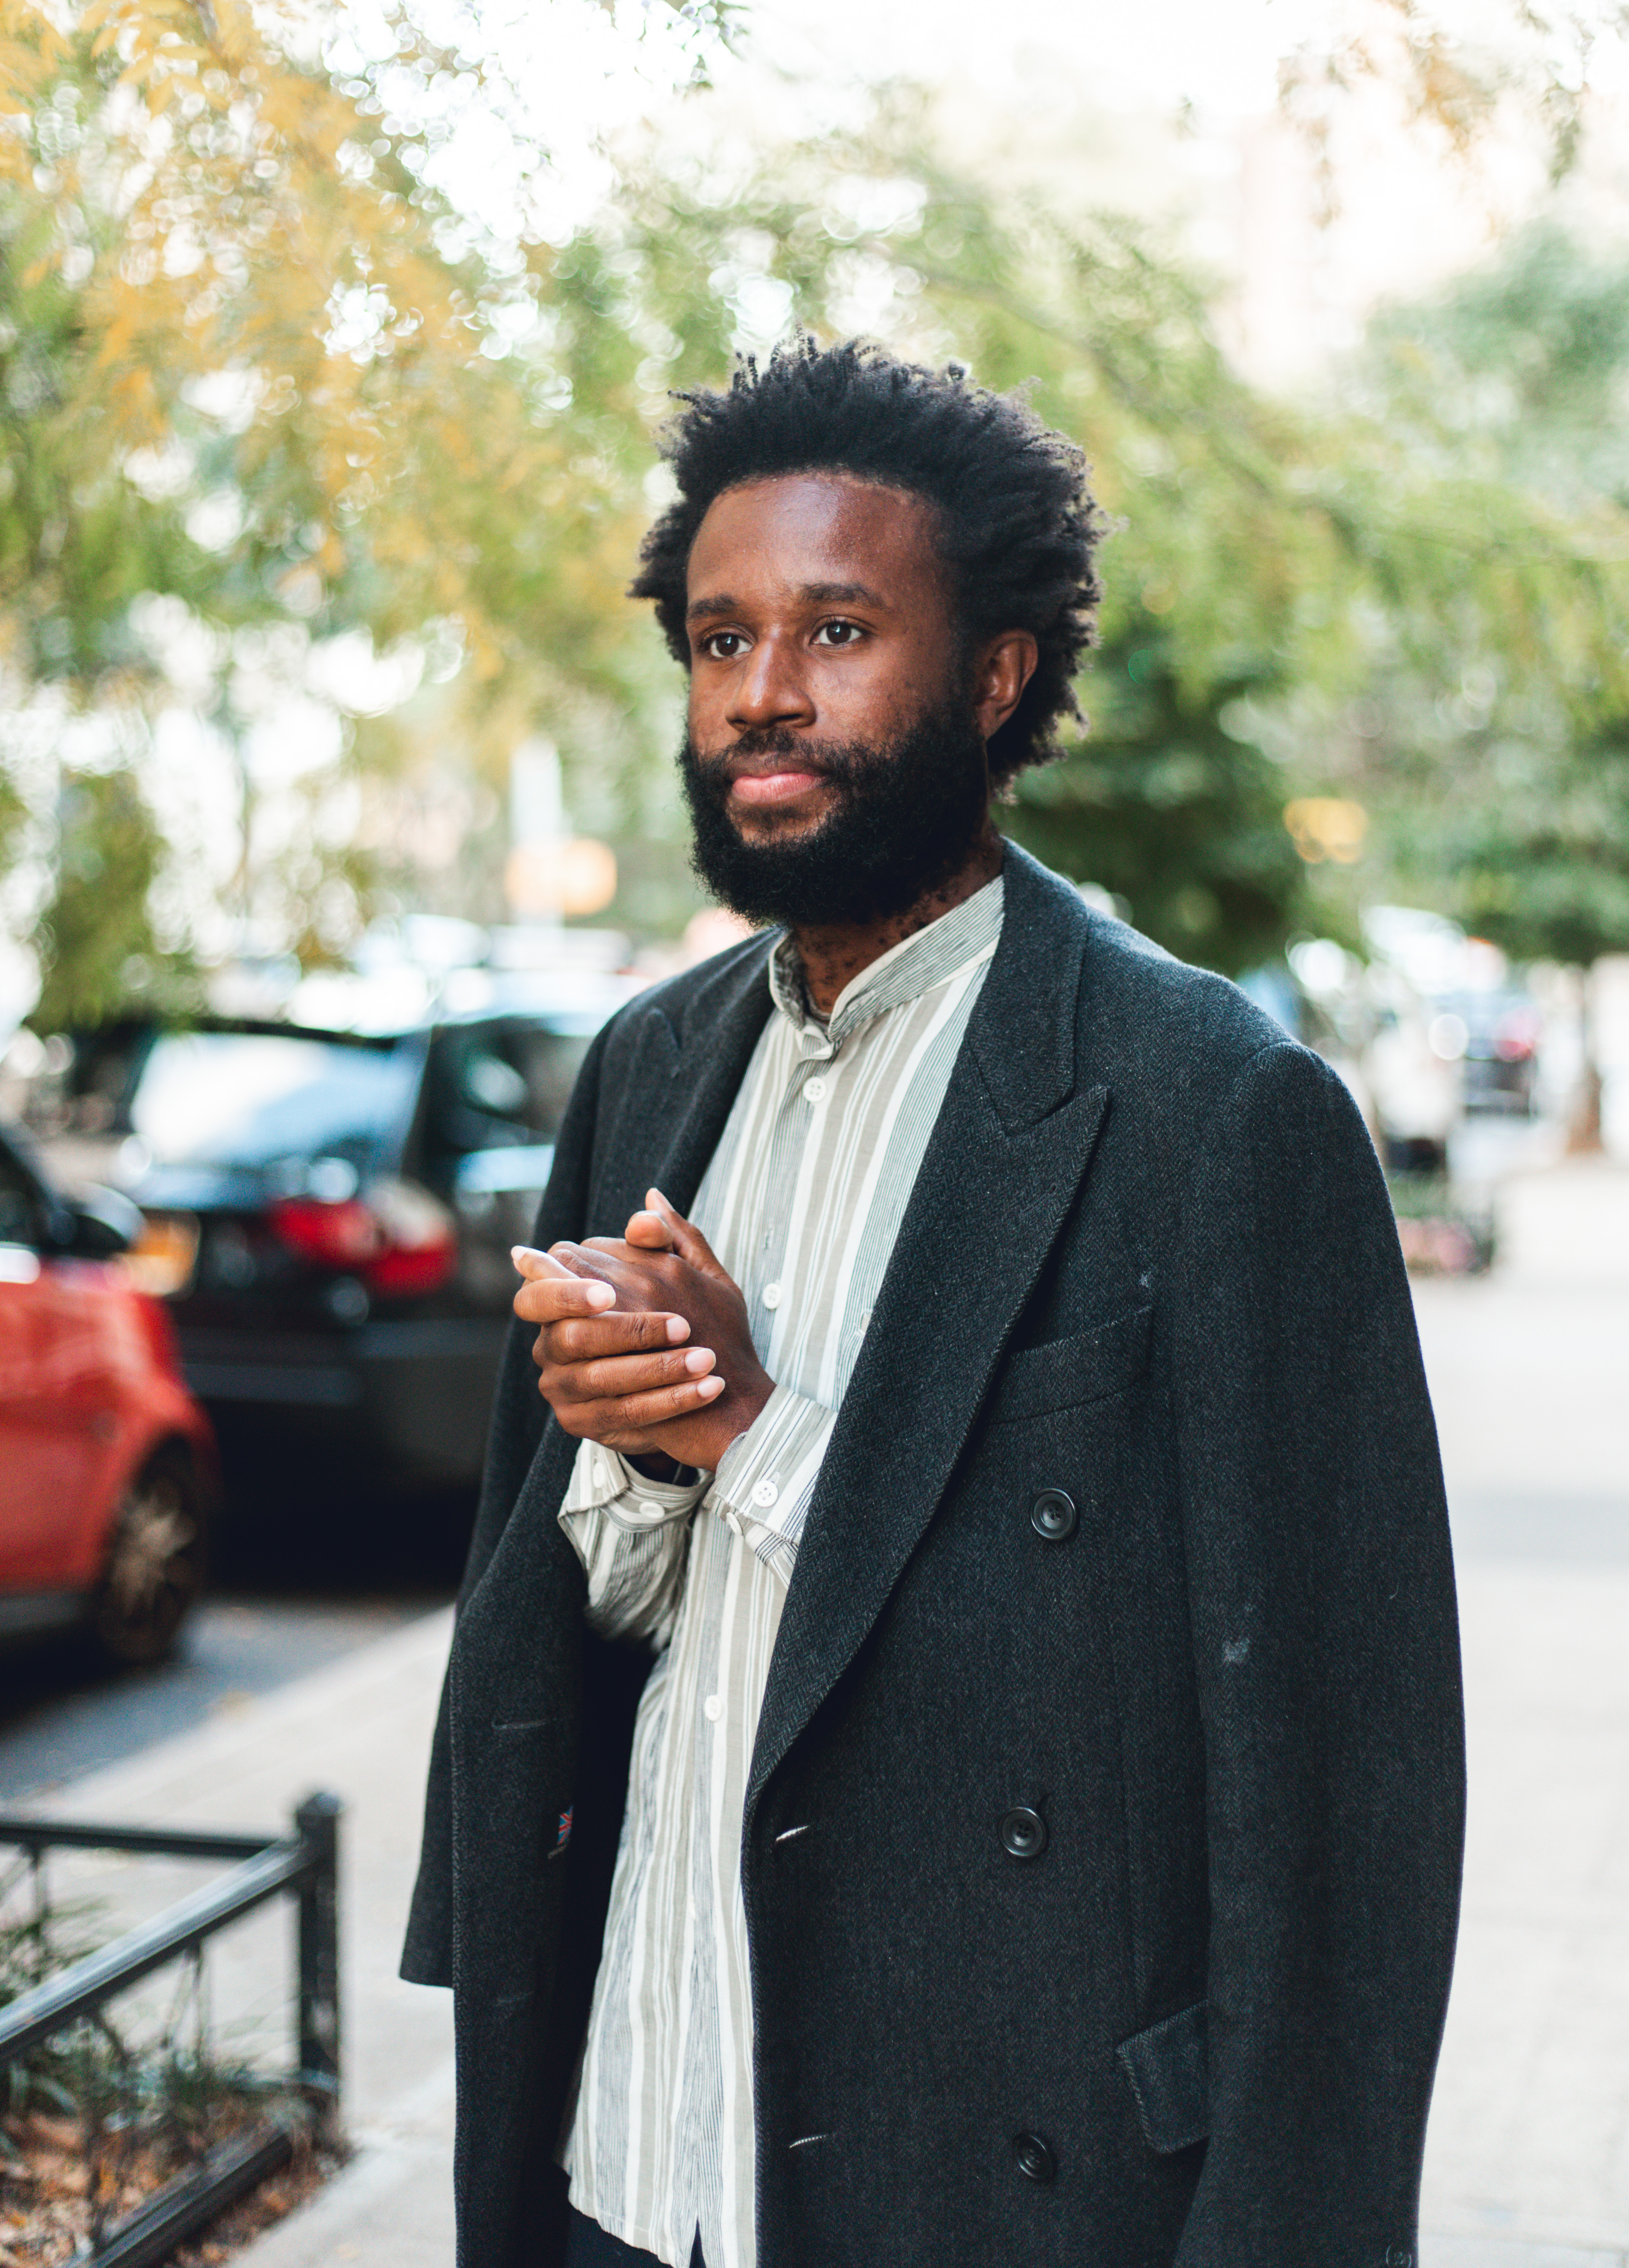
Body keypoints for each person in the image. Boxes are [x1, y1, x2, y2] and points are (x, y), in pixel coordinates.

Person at [403, 340, 1464, 2268]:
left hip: (993, 2177)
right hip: (630, 2146)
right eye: (720, 640)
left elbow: (1340, 1806)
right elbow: (581, 1638)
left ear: (995, 674)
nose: (764, 698)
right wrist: (642, 1461)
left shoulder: (1218, 1113)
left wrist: (748, 1426)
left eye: (835, 628)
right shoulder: (647, 1067)